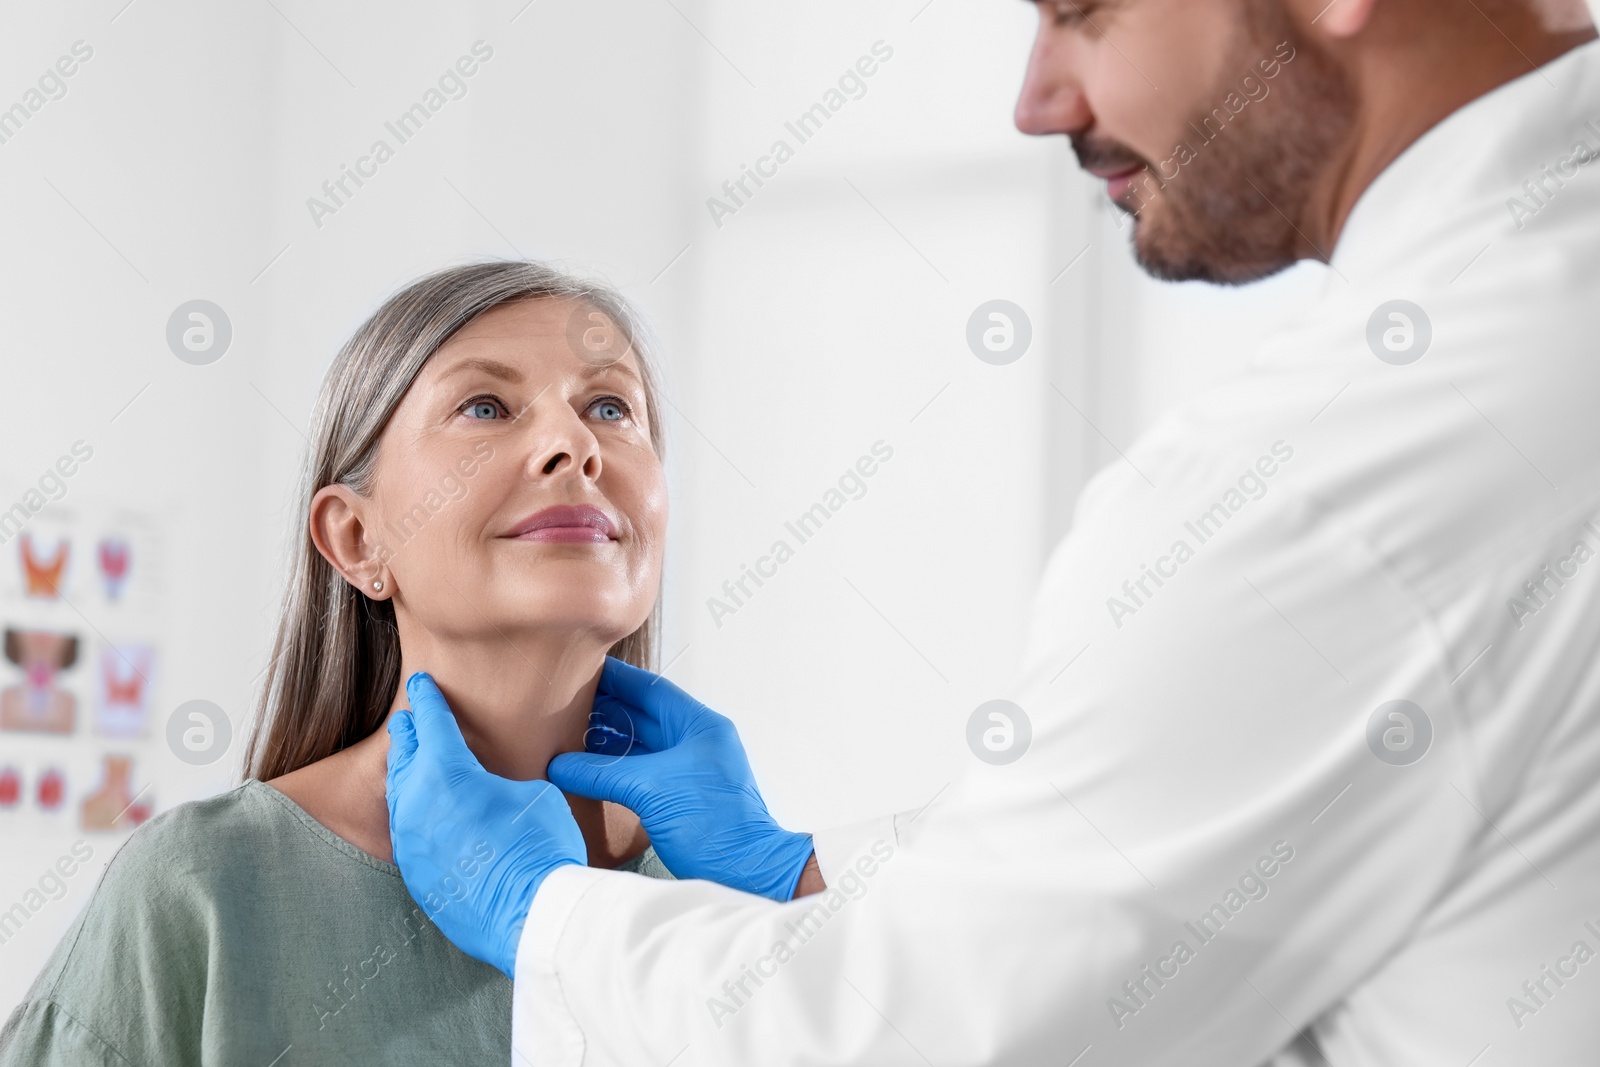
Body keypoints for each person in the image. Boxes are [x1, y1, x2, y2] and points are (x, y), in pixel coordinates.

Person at [385, 1, 1600, 1065]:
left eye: (1084, 10)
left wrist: (542, 911)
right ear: (350, 533)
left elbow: (933, 1035)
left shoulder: (1341, 470)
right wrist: (800, 874)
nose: (1035, 101)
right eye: (485, 405)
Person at [0, 262, 682, 1065]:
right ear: (358, 540)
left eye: (610, 407)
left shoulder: (726, 898)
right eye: (486, 406)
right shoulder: (205, 892)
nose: (575, 444)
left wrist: (787, 892)